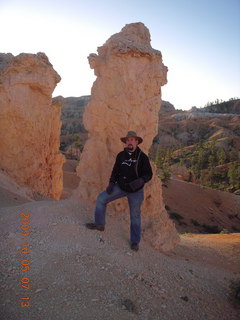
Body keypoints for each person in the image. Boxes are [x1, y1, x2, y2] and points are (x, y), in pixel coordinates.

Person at [86, 131, 153, 251]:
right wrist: (111, 183)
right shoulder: (121, 155)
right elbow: (115, 171)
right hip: (121, 187)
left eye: (132, 140)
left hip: (135, 191)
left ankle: (135, 241)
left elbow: (149, 174)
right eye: (128, 140)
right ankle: (99, 224)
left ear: (137, 142)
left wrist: (141, 180)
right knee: (101, 198)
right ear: (126, 142)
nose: (130, 142)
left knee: (135, 215)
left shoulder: (142, 157)